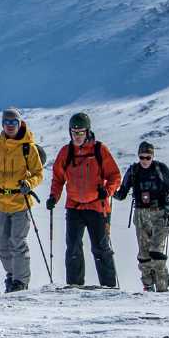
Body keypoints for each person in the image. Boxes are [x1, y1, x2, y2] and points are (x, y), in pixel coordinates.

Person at [0, 107, 44, 292]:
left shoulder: (29, 147)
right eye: (7, 122)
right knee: (3, 245)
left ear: (19, 123)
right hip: (0, 202)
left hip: (21, 202)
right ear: (2, 124)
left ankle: (20, 282)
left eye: (13, 122)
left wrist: (29, 183)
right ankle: (12, 276)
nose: (10, 126)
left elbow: (38, 173)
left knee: (17, 242)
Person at [47, 112, 121, 288]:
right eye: (74, 132)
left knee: (101, 249)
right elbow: (58, 178)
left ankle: (109, 287)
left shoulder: (99, 150)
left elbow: (115, 176)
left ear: (88, 132)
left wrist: (108, 191)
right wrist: (53, 197)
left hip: (97, 207)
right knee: (72, 248)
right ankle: (74, 286)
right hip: (74, 207)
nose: (77, 136)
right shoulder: (66, 152)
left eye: (80, 132)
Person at [114, 141, 169, 292]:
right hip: (141, 215)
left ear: (152, 156)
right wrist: (109, 192)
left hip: (161, 214)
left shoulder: (160, 169)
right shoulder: (133, 171)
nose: (144, 160)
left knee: (156, 253)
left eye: (147, 157)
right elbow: (122, 193)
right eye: (142, 157)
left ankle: (163, 288)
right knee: (144, 255)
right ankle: (148, 286)